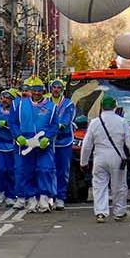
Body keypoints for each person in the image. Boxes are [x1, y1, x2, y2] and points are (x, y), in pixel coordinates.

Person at [79, 95, 130, 222]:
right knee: (119, 186)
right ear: (115, 107)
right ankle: (119, 212)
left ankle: (100, 212)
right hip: (117, 157)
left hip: (99, 157)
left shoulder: (94, 123)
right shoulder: (122, 122)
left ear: (101, 107)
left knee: (99, 185)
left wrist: (83, 162)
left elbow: (87, 144)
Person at [11, 78, 57, 212]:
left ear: (43, 91)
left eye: (39, 90)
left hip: (43, 144)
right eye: (34, 90)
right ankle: (30, 198)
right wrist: (18, 136)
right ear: (30, 91)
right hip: (25, 143)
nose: (37, 93)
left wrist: (47, 137)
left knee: (45, 169)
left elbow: (54, 125)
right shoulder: (19, 105)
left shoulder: (51, 106)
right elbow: (13, 122)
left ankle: (44, 198)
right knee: (26, 171)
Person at [48, 79, 75, 210]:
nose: (56, 89)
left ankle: (60, 197)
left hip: (64, 142)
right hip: (48, 142)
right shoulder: (46, 103)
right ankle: (49, 196)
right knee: (47, 169)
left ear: (62, 89)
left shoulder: (69, 103)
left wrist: (59, 125)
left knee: (63, 170)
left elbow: (67, 119)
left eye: (59, 87)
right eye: (54, 87)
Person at [0, 88, 17, 206]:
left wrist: (7, 124)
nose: (4, 100)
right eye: (3, 98)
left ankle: (10, 195)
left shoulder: (16, 110)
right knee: (0, 169)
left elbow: (18, 124)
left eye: (7, 98)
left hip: (12, 144)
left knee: (11, 170)